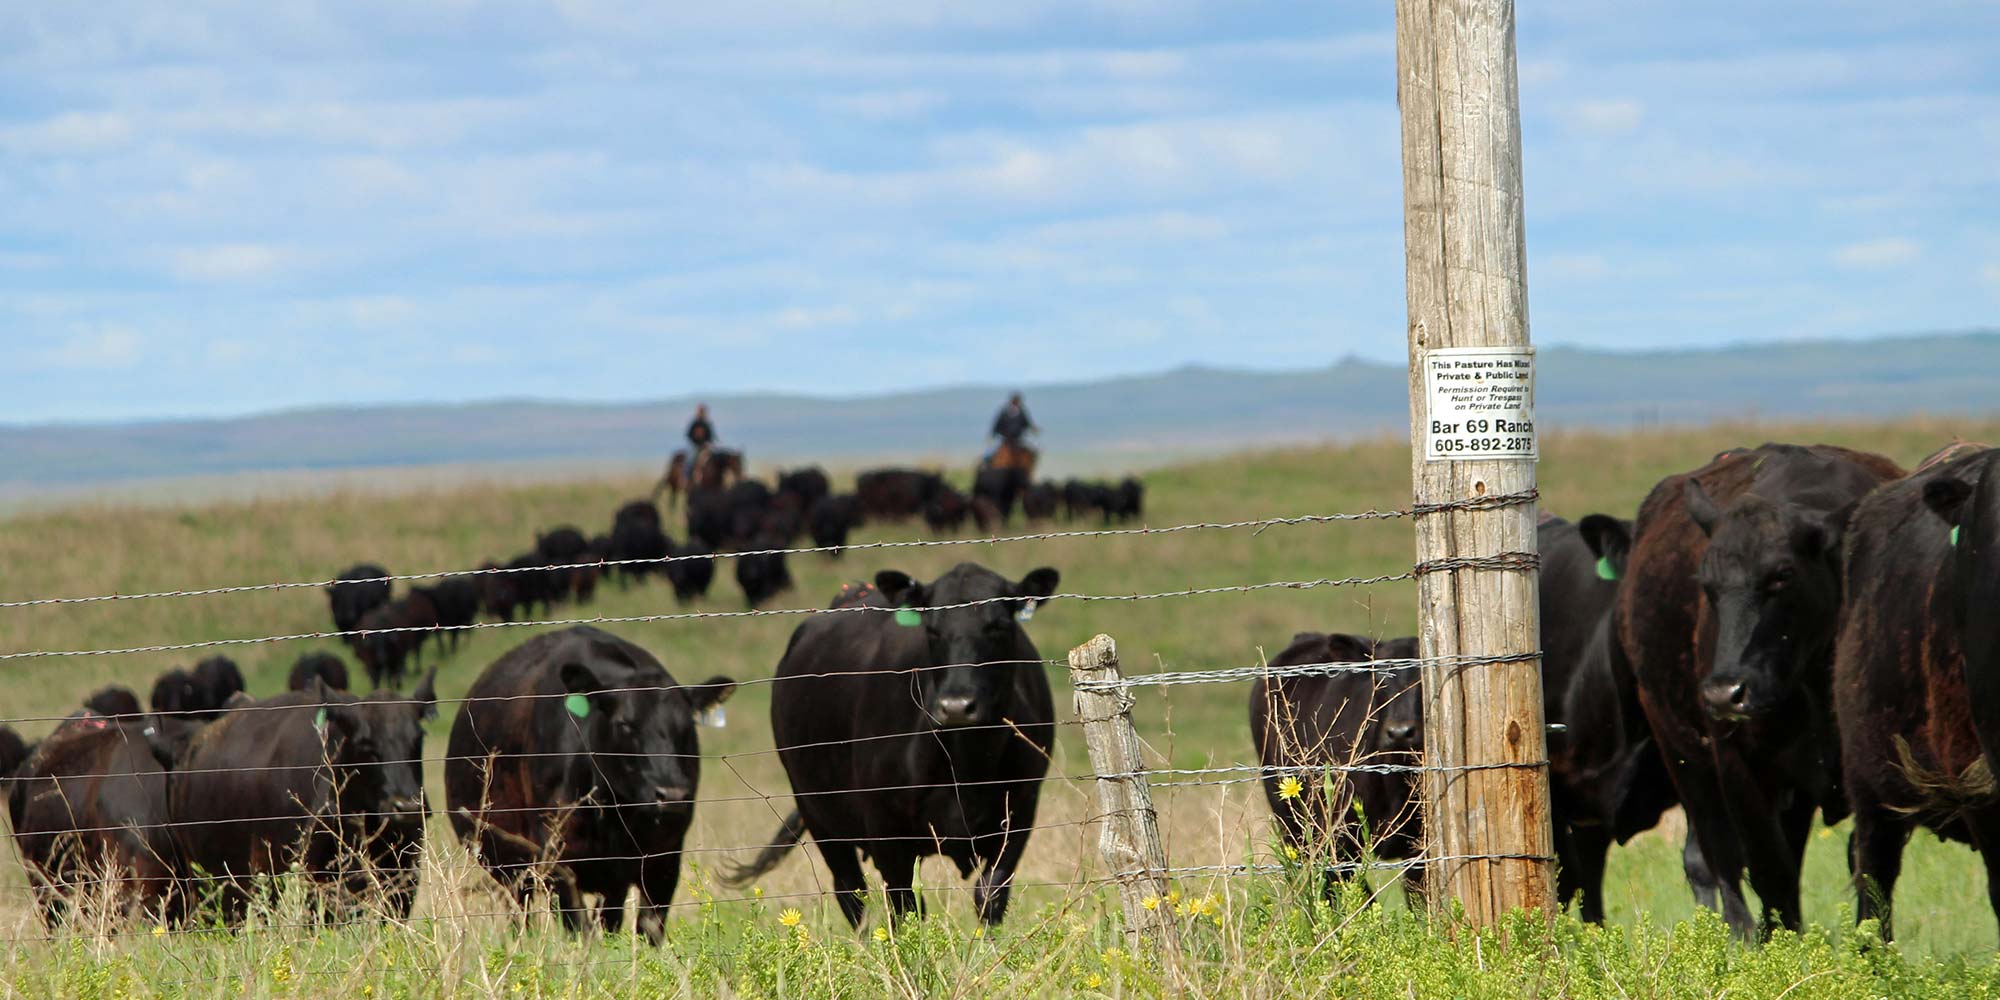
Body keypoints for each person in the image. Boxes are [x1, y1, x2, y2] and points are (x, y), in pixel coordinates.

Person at [984, 393, 1036, 465]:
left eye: (1017, 401)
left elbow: (1027, 424)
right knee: (988, 452)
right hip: (1004, 439)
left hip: (1019, 439)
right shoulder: (1004, 412)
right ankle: (986, 467)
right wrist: (992, 435)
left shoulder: (1022, 412)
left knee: (1033, 450)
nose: (1016, 403)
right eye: (1015, 401)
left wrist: (1033, 429)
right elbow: (997, 424)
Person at [685, 404, 717, 478]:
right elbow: (689, 435)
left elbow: (711, 436)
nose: (702, 413)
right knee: (690, 459)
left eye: (703, 411)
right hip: (695, 446)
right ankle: (686, 478)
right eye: (700, 411)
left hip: (705, 447)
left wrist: (708, 443)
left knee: (715, 457)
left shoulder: (707, 424)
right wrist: (696, 443)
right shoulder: (694, 423)